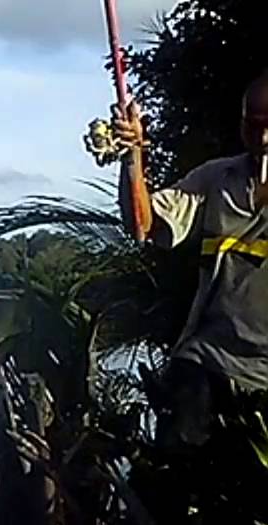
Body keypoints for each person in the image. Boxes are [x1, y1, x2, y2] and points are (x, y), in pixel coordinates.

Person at [113, 71, 268, 448]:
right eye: (254, 126)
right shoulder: (216, 179)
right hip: (208, 361)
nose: (263, 140)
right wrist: (132, 156)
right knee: (177, 472)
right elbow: (143, 224)